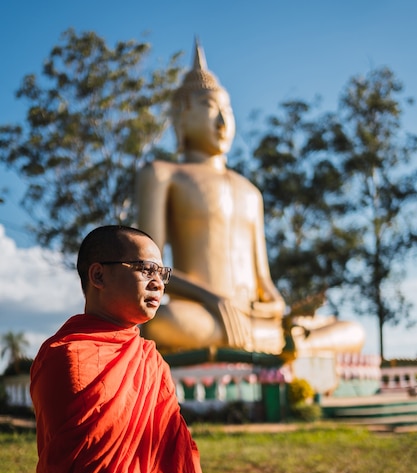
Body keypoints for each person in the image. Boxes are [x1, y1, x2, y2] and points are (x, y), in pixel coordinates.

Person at [30, 225, 239, 473]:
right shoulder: (66, 356)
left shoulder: (149, 359)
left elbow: (174, 452)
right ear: (98, 275)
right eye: (145, 268)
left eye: (164, 272)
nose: (158, 281)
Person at [136, 42, 365, 359]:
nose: (222, 121)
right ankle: (281, 348)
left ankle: (295, 343)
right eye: (209, 107)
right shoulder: (162, 174)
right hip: (204, 313)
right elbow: (151, 268)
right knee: (163, 322)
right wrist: (214, 299)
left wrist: (275, 301)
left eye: (227, 111)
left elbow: (263, 279)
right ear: (182, 114)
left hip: (255, 318)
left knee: (353, 330)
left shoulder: (250, 191)